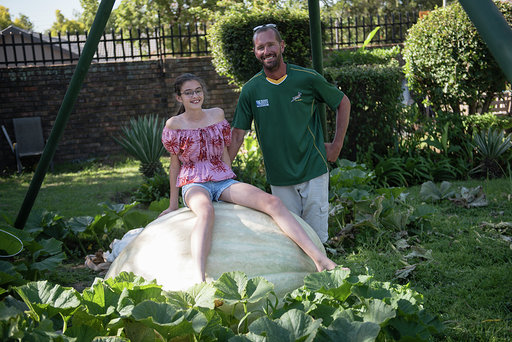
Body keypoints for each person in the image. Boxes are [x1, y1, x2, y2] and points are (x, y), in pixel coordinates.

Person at [160, 73, 337, 283]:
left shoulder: (216, 115)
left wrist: (230, 182)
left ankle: (320, 260)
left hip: (222, 180)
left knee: (272, 202)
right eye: (188, 93)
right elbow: (174, 166)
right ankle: (199, 279)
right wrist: (173, 205)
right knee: (206, 211)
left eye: (198, 91)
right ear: (179, 98)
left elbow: (224, 152)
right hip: (194, 182)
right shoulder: (174, 125)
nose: (195, 96)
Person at [228, 24, 350, 243]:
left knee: (316, 239)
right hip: (279, 177)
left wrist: (337, 145)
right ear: (255, 52)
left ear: (282, 46)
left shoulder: (306, 78)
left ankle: (324, 276)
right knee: (292, 240)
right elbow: (237, 133)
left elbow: (342, 102)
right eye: (260, 47)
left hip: (313, 169)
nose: (266, 51)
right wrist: (222, 171)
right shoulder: (251, 89)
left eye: (271, 44)